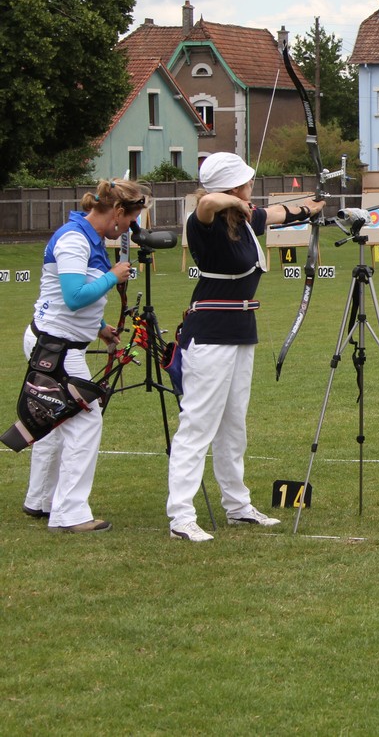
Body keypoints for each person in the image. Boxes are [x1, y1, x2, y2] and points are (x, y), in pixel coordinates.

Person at [166, 153, 327, 542]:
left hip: (240, 331)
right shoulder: (204, 222)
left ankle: (238, 506)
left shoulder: (244, 219)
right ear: (233, 187)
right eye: (245, 184)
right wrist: (235, 201)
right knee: (198, 425)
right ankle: (181, 516)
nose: (250, 188)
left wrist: (313, 207)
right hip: (209, 334)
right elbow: (205, 202)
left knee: (233, 427)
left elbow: (279, 214)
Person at [21, 179, 149, 532]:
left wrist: (102, 327)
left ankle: (40, 500)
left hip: (55, 342)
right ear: (117, 212)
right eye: (127, 222)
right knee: (85, 420)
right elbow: (75, 296)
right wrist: (112, 275)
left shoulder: (85, 236)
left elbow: (70, 302)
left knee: (55, 420)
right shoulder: (75, 239)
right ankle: (69, 515)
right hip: (56, 347)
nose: (126, 231)